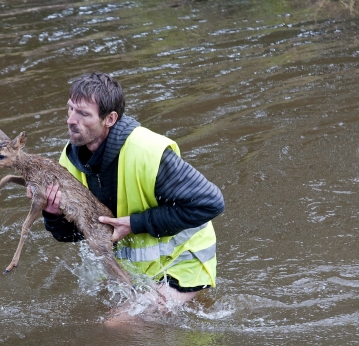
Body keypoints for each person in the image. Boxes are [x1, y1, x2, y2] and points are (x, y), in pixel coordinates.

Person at [34, 72, 224, 316]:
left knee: (116, 325)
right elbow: (71, 235)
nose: (71, 120)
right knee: (94, 316)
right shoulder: (68, 161)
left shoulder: (148, 151)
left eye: (83, 114)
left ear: (110, 119)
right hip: (138, 270)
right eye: (70, 109)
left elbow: (211, 203)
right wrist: (52, 214)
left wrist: (135, 223)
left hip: (184, 263)